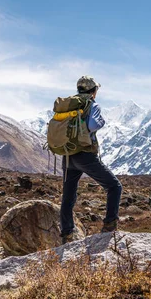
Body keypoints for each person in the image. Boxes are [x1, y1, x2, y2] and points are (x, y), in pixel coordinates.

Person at [60, 76, 123, 244]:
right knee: (114, 186)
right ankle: (109, 225)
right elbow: (93, 125)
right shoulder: (92, 105)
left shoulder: (70, 105)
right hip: (84, 155)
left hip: (67, 155)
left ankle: (66, 235)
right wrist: (101, 121)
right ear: (93, 91)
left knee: (68, 196)